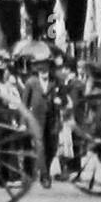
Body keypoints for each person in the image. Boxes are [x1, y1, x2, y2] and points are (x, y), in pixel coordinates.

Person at [21, 53, 57, 188]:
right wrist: (23, 122)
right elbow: (24, 104)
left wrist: (59, 101)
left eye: (46, 65)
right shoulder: (31, 82)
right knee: (40, 147)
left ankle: (44, 169)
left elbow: (63, 97)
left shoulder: (54, 81)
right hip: (36, 120)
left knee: (51, 148)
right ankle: (45, 175)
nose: (44, 68)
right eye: (41, 66)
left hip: (52, 119)